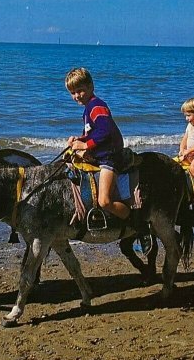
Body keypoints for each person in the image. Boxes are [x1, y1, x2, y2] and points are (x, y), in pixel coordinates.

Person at [64, 67, 153, 255]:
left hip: (109, 157)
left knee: (104, 200)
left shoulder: (96, 106)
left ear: (91, 86)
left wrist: (85, 145)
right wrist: (79, 140)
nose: (77, 96)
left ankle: (138, 226)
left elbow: (104, 132)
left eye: (80, 90)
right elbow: (92, 132)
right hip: (101, 154)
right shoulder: (88, 108)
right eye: (72, 93)